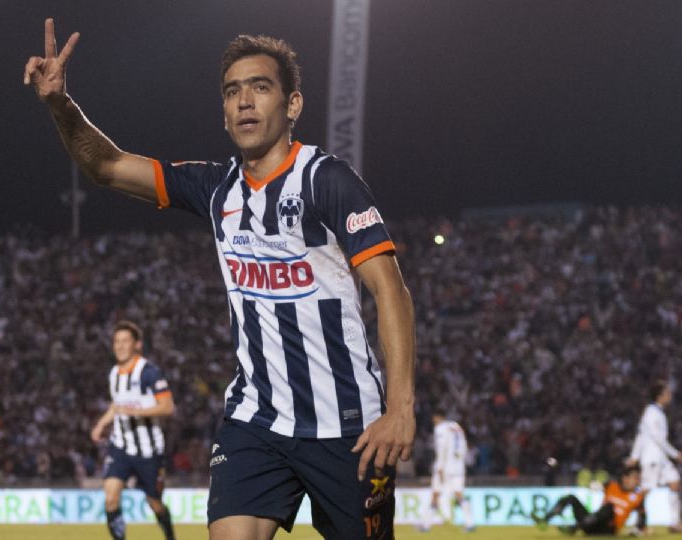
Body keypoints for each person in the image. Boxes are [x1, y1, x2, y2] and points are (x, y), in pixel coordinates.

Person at [25, 19, 416, 540]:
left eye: (260, 87)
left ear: (292, 104)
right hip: (255, 419)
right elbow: (109, 167)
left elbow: (390, 289)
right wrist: (60, 104)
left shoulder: (328, 181)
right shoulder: (215, 188)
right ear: (224, 111)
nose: (245, 101)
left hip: (345, 424)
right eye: (233, 92)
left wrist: (401, 407)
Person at [90, 321, 176, 540]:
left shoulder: (149, 373)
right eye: (116, 341)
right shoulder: (114, 374)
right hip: (120, 446)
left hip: (149, 451)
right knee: (110, 497)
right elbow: (116, 404)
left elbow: (167, 407)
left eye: (125, 341)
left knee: (154, 502)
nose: (119, 346)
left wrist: (134, 412)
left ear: (137, 345)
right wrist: (102, 423)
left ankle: (170, 536)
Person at [628, 380, 682, 533]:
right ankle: (637, 525)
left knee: (674, 482)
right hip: (652, 458)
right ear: (659, 396)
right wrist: (675, 453)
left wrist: (634, 456)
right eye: (667, 393)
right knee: (645, 490)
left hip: (660, 458)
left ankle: (674, 524)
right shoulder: (652, 412)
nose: (670, 396)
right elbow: (656, 438)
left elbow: (641, 435)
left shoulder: (656, 412)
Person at [533, 463, 647, 536]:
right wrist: (590, 484)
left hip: (608, 530)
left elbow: (642, 517)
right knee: (571, 498)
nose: (637, 481)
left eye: (638, 479)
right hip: (592, 524)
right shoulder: (611, 486)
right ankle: (545, 520)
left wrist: (637, 530)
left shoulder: (638, 496)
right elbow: (594, 486)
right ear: (625, 478)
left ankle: (575, 528)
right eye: (635, 478)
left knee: (609, 507)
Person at [418, 413, 474, 532]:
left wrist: (440, 467)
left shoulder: (440, 428)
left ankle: (425, 525)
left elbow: (441, 448)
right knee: (459, 494)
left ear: (437, 417)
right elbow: (464, 447)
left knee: (435, 494)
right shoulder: (457, 427)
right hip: (458, 467)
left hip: (445, 467)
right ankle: (470, 524)